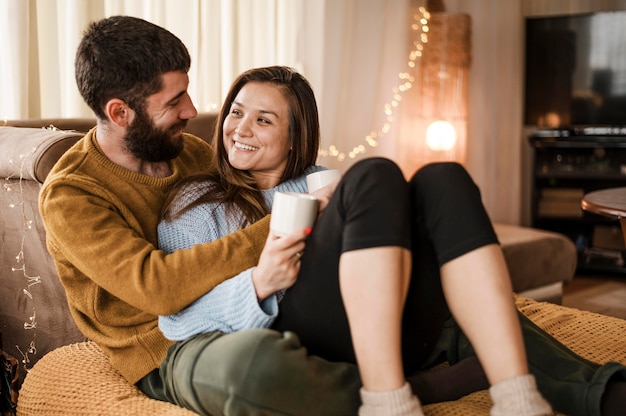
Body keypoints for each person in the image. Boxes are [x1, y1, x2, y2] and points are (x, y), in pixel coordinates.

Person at [39, 15, 625, 416]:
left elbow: (293, 181)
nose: (198, 114)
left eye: (190, 95)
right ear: (120, 112)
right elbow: (160, 289)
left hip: (285, 294)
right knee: (256, 368)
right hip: (162, 346)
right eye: (175, 103)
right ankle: (414, 387)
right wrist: (295, 221)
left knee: (443, 251)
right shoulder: (74, 195)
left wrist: (332, 202)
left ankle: (574, 389)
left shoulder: (192, 151)